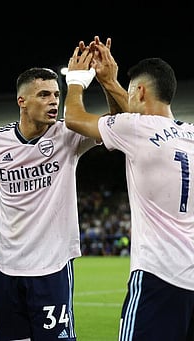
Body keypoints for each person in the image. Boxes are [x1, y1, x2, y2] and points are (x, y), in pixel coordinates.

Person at [0, 67, 99, 340]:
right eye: (44, 95)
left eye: (56, 94)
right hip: (7, 267)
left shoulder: (68, 134)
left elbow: (116, 122)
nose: (54, 101)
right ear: (22, 101)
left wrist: (104, 79)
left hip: (51, 267)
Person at [64, 36, 194, 340]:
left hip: (158, 275)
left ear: (141, 91)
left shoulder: (135, 129)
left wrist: (77, 80)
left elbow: (73, 118)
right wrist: (110, 82)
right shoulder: (189, 134)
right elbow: (138, 119)